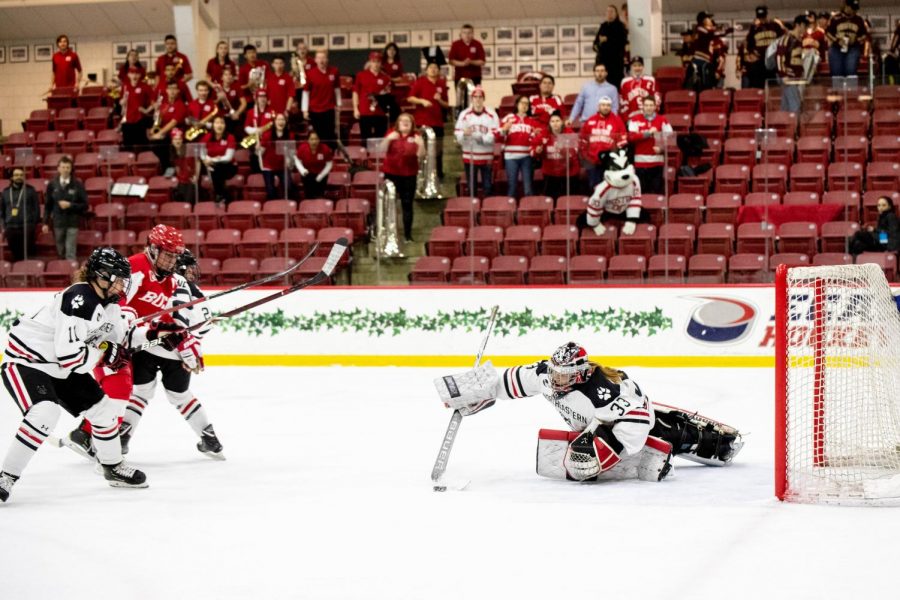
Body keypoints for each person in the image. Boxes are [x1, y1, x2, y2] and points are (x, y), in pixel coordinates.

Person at [435, 342, 742, 483]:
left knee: (669, 436)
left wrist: (607, 451)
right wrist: (478, 393)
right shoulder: (547, 374)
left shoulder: (604, 389)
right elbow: (510, 381)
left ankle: (714, 443)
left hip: (634, 420)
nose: (555, 380)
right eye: (553, 372)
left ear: (581, 372)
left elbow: (637, 421)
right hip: (596, 423)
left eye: (563, 375)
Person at [0, 247, 148, 503]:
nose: (124, 286)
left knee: (103, 410)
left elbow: (118, 340)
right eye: (120, 279)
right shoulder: (79, 297)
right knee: (45, 413)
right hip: (28, 362)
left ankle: (112, 466)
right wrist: (104, 352)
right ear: (102, 276)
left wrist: (159, 336)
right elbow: (72, 357)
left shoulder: (109, 305)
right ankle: (7, 477)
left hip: (61, 366)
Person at [66, 228, 223, 461]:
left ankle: (96, 437)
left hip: (132, 340)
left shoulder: (170, 280)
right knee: (122, 389)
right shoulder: (135, 267)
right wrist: (132, 327)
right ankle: (93, 437)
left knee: (127, 390)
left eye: (174, 255)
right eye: (167, 254)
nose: (171, 260)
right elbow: (116, 305)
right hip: (107, 339)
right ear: (152, 248)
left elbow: (167, 317)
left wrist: (179, 336)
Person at [381, 113, 425, 243]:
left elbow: (421, 156)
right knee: (389, 203)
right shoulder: (391, 133)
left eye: (408, 121)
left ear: (412, 125)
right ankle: (388, 234)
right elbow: (380, 149)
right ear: (397, 124)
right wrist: (388, 139)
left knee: (407, 205)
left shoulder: (416, 136)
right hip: (391, 173)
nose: (405, 123)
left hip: (409, 175)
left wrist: (421, 144)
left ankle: (407, 235)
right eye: (402, 121)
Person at [454, 86, 499, 198]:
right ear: (472, 99)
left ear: (483, 98)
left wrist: (480, 138)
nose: (478, 99)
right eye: (475, 97)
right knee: (471, 187)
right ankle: (473, 210)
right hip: (470, 156)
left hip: (486, 156)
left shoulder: (491, 114)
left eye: (480, 97)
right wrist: (464, 134)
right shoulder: (464, 114)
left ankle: (487, 208)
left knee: (487, 186)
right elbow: (457, 133)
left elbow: (495, 134)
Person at [407, 61, 450, 180]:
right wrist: (422, 101)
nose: (433, 69)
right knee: (422, 150)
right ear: (426, 70)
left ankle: (438, 174)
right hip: (423, 122)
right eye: (431, 67)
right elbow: (410, 98)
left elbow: (447, 105)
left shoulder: (441, 84)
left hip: (438, 122)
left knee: (438, 150)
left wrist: (440, 100)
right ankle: (421, 174)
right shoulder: (420, 82)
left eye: (436, 67)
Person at [43, 156, 87, 261]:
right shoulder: (52, 184)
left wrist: (70, 205)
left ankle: (71, 274)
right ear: (58, 168)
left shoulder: (78, 184)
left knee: (70, 252)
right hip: (58, 222)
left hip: (72, 222)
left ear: (71, 169)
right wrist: (45, 222)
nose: (65, 170)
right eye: (63, 167)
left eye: (67, 167)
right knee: (60, 250)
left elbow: (85, 205)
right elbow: (48, 205)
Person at [578, 96, 627, 189]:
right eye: (603, 105)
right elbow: (583, 141)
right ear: (598, 106)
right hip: (592, 161)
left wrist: (615, 158)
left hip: (609, 162)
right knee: (593, 186)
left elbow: (623, 141)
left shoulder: (617, 121)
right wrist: (586, 158)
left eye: (608, 105)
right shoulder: (590, 120)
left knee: (609, 187)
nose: (605, 107)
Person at [627, 97, 673, 195]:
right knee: (641, 193)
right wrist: (647, 133)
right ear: (643, 106)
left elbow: (671, 139)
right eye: (646, 105)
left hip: (657, 163)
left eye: (651, 105)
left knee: (655, 193)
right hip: (640, 163)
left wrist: (661, 149)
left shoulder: (662, 120)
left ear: (655, 107)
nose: (649, 108)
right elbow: (631, 137)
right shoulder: (635, 120)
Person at [500, 95, 542, 198]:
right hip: (510, 157)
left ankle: (529, 211)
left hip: (526, 157)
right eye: (522, 103)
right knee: (512, 187)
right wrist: (504, 130)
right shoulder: (509, 118)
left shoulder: (532, 121)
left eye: (527, 104)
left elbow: (538, 137)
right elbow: (499, 133)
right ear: (517, 104)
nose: (524, 105)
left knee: (528, 188)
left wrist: (537, 137)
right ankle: (511, 211)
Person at [536, 112, 580, 199]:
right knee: (552, 199)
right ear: (549, 123)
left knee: (568, 200)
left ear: (562, 122)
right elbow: (536, 152)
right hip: (551, 173)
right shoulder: (544, 133)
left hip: (569, 173)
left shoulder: (569, 133)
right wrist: (538, 151)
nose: (555, 123)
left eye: (557, 121)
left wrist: (562, 149)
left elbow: (573, 155)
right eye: (552, 121)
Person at [1, 168, 41, 261]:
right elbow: (1, 211)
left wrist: (32, 224)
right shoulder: (6, 192)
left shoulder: (31, 190)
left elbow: (36, 208)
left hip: (27, 226)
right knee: (15, 254)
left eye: (21, 175)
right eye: (16, 175)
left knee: (27, 253)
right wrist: (4, 225)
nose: (19, 177)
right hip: (10, 227)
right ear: (12, 177)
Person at [148, 81, 189, 171]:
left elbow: (173, 122)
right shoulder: (164, 104)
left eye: (174, 89)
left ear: (178, 91)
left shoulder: (181, 105)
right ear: (166, 90)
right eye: (170, 89)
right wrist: (154, 126)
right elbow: (159, 120)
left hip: (176, 133)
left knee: (158, 143)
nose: (172, 91)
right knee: (152, 143)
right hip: (165, 133)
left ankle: (170, 168)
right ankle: (165, 166)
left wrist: (159, 133)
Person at [302, 50, 341, 142]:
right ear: (315, 60)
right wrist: (304, 110)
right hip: (315, 109)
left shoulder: (334, 71)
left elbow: (337, 89)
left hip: (329, 108)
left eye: (323, 58)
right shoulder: (310, 73)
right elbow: (306, 92)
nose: (321, 60)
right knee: (317, 134)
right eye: (319, 58)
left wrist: (339, 104)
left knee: (329, 134)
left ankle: (329, 153)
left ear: (327, 59)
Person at [353, 52, 392, 143]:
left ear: (381, 63)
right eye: (373, 61)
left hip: (380, 112)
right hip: (365, 111)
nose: (376, 64)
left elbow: (388, 96)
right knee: (365, 137)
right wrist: (355, 109)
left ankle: (379, 157)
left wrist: (387, 110)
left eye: (378, 61)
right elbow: (355, 92)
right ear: (370, 62)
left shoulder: (385, 78)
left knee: (380, 138)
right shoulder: (361, 75)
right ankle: (366, 156)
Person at [826, 0, 869, 83]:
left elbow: (864, 35)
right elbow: (828, 32)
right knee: (836, 72)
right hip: (837, 48)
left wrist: (856, 40)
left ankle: (851, 92)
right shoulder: (835, 18)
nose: (854, 11)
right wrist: (837, 41)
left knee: (851, 71)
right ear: (846, 6)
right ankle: (837, 92)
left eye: (855, 9)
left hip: (853, 48)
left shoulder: (859, 19)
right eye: (852, 8)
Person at [745, 6, 786, 89]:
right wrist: (753, 53)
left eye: (763, 17)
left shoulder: (775, 26)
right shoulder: (754, 28)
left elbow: (783, 40)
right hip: (760, 61)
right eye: (760, 17)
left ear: (767, 15)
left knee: (774, 86)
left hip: (773, 60)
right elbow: (749, 43)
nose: (762, 19)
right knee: (758, 85)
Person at [259, 113, 296, 199]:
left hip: (283, 167)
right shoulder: (267, 135)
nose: (281, 121)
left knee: (289, 187)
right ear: (274, 122)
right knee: (270, 191)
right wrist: (258, 149)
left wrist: (289, 161)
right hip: (268, 167)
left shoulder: (290, 135)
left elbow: (291, 153)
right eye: (278, 119)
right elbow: (260, 152)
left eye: (282, 119)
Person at [201, 115, 237, 204]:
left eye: (222, 123)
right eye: (217, 123)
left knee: (217, 169)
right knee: (215, 170)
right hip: (211, 165)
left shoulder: (230, 137)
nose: (219, 125)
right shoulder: (207, 137)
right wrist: (207, 160)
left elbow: (228, 158)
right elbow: (202, 153)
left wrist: (212, 160)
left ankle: (219, 195)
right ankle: (223, 196)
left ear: (225, 125)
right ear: (213, 125)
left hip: (229, 167)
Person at [777, 16, 808, 114]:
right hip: (789, 78)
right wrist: (783, 75)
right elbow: (779, 57)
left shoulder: (799, 41)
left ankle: (783, 126)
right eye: (804, 26)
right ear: (798, 25)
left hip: (795, 79)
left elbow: (798, 59)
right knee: (795, 107)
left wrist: (802, 73)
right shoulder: (786, 38)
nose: (806, 29)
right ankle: (795, 128)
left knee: (785, 107)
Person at [593, 5, 628, 87]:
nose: (609, 13)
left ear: (616, 14)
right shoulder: (603, 26)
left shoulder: (620, 26)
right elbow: (596, 42)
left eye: (611, 11)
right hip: (602, 62)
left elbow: (622, 42)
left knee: (615, 86)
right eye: (607, 11)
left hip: (615, 64)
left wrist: (607, 39)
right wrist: (597, 45)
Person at [120, 66, 152, 151]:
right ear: (128, 75)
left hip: (140, 120)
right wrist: (121, 102)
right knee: (127, 146)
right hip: (127, 120)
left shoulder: (146, 87)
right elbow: (121, 101)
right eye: (132, 73)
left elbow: (154, 102)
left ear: (140, 75)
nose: (134, 76)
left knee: (143, 146)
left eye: (137, 73)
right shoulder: (125, 86)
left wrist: (147, 110)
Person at [618, 56, 660, 122]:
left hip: (648, 117)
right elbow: (622, 102)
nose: (637, 68)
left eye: (639, 65)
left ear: (643, 66)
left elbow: (657, 99)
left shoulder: (651, 80)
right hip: (631, 118)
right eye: (634, 66)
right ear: (631, 67)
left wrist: (653, 116)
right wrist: (626, 119)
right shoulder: (625, 82)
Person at [294, 131, 334, 200]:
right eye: (312, 139)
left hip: (321, 174)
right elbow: (297, 160)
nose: (314, 141)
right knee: (309, 195)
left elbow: (329, 164)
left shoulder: (325, 149)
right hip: (307, 174)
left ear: (319, 140)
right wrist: (302, 170)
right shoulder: (302, 148)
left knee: (319, 195)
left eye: (316, 139)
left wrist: (322, 175)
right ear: (308, 140)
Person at [170, 129, 200, 203]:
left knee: (188, 203)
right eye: (175, 139)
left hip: (191, 180)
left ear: (182, 140)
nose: (177, 141)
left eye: (179, 139)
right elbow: (176, 167)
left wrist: (197, 175)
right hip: (180, 181)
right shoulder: (172, 152)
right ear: (172, 141)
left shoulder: (189, 148)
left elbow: (197, 162)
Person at [218, 67, 248, 141]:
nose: (228, 76)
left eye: (230, 75)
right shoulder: (217, 88)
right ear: (222, 77)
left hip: (235, 117)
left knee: (239, 137)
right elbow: (212, 103)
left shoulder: (237, 87)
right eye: (226, 75)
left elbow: (244, 103)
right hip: (222, 118)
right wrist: (219, 99)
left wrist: (237, 113)